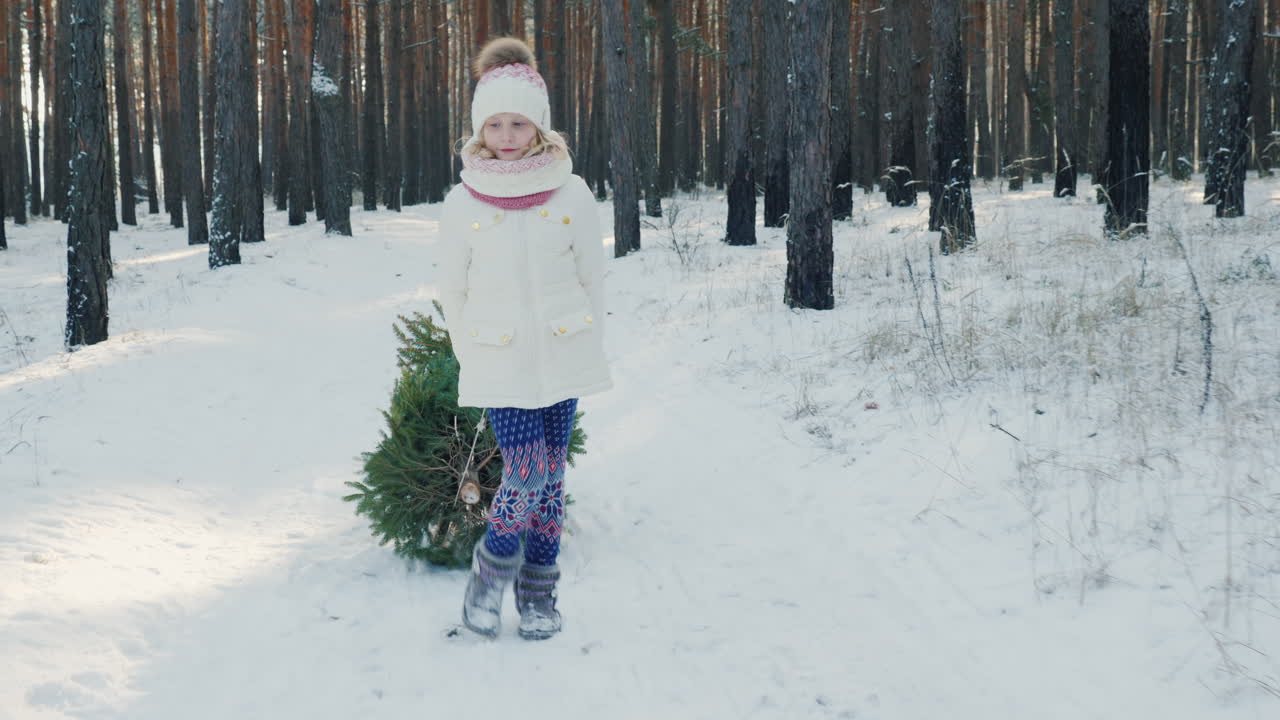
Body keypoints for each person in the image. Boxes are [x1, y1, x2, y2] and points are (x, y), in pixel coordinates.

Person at [436, 37, 612, 640]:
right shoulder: (462, 201)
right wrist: (473, 356)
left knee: (552, 480)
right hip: (499, 359)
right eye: (495, 124)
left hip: (564, 352)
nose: (506, 135)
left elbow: (593, 277)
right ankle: (488, 578)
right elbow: (452, 289)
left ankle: (539, 594)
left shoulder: (572, 192)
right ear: (479, 129)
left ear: (538, 127)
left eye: (518, 123)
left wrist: (588, 343)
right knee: (529, 469)